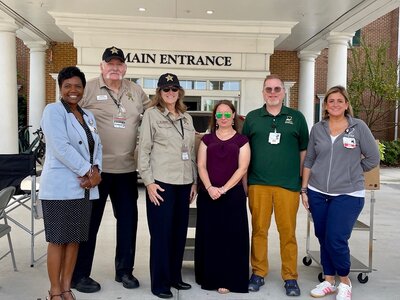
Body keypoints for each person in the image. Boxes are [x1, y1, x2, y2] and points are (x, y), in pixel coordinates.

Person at [72, 46, 150, 292]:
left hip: (126, 170)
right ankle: (80, 274)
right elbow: (70, 119)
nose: (114, 68)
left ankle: (124, 271)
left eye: (119, 64)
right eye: (110, 64)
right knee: (89, 223)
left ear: (124, 68)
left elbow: (153, 117)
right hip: (95, 171)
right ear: (102, 66)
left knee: (128, 222)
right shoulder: (89, 89)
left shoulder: (136, 91)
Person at [301, 86, 380, 300]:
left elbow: (373, 158)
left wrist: (353, 171)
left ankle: (344, 281)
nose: (335, 104)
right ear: (325, 105)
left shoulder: (358, 127)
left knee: (336, 237)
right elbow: (309, 160)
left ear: (346, 104)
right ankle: (328, 280)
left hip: (348, 193)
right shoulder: (318, 128)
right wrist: (304, 189)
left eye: (339, 101)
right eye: (331, 101)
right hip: (318, 191)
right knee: (323, 236)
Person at [242, 74, 309, 296]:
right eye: (268, 89)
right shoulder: (252, 118)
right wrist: (244, 183)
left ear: (284, 92)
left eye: (277, 89)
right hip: (258, 185)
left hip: (288, 186)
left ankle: (290, 277)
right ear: (263, 92)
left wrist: (301, 182)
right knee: (259, 231)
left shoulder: (297, 118)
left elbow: (303, 152)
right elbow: (243, 153)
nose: (272, 93)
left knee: (287, 233)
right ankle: (258, 272)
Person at [39, 66, 102, 300]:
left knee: (74, 240)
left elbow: (98, 147)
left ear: (83, 89)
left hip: (83, 189)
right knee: (58, 240)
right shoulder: (53, 111)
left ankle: (66, 288)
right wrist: (88, 171)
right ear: (60, 89)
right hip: (59, 188)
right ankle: (54, 291)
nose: (73, 91)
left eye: (78, 86)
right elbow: (61, 147)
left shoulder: (88, 116)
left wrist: (97, 171)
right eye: (68, 86)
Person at [138, 73, 197, 299]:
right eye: (166, 90)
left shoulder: (187, 117)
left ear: (179, 92)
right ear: (159, 93)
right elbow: (143, 151)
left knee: (178, 233)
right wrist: (149, 183)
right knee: (161, 235)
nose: (170, 93)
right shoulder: (151, 115)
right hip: (161, 183)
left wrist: (193, 181)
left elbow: (190, 152)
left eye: (174, 89)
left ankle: (175, 276)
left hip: (183, 183)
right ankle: (159, 283)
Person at [195, 100, 251, 294]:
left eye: (228, 114)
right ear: (215, 117)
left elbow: (242, 168)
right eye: (220, 114)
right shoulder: (206, 140)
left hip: (232, 196)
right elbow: (201, 165)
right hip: (208, 195)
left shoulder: (242, 141)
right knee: (211, 236)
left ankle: (229, 278)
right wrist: (210, 187)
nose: (224, 118)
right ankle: (209, 276)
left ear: (234, 116)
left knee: (231, 238)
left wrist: (224, 189)